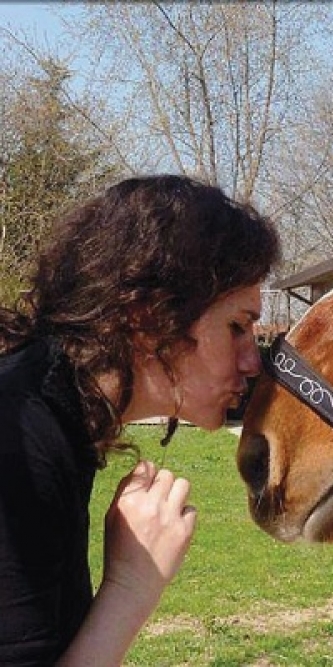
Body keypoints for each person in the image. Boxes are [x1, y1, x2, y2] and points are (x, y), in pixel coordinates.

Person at [0, 174, 280, 666]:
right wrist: (132, 585)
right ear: (149, 318)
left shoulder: (54, 413)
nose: (251, 361)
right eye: (236, 326)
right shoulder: (20, 440)